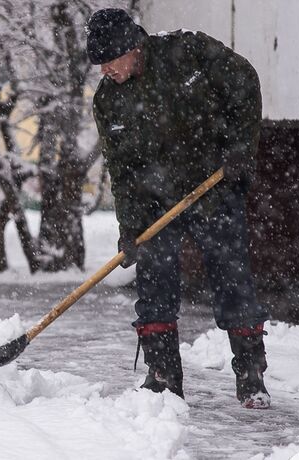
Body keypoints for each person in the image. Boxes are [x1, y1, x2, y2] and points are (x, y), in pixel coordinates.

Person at [87, 8, 272, 409]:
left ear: (132, 47)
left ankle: (251, 374)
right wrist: (130, 228)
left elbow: (244, 83)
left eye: (109, 60)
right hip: (156, 204)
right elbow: (122, 172)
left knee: (232, 280)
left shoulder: (187, 52)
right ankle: (163, 377)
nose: (105, 70)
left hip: (213, 188)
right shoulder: (108, 102)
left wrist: (242, 148)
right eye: (99, 63)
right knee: (154, 288)